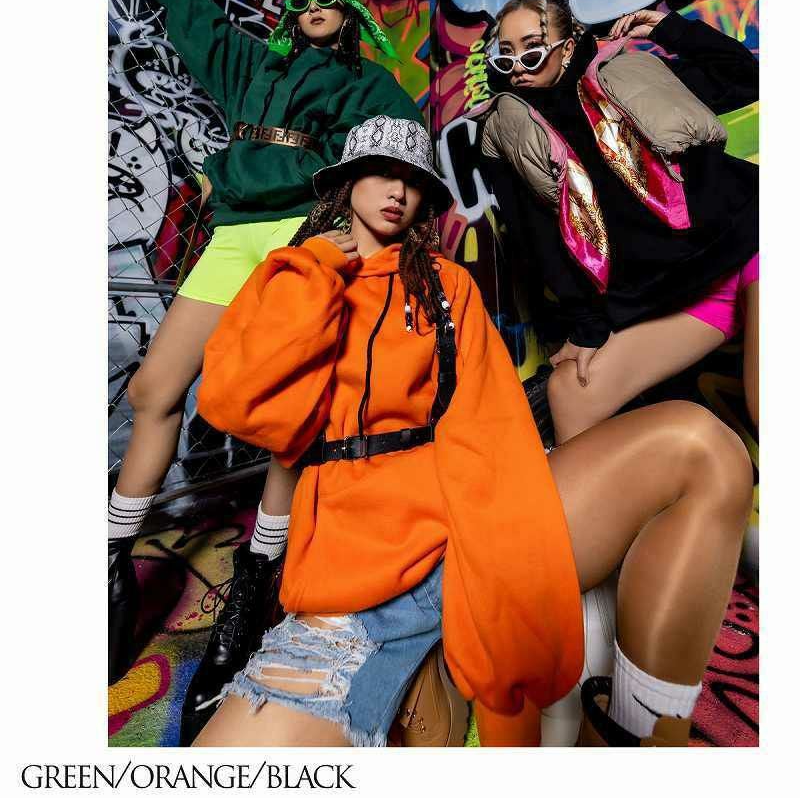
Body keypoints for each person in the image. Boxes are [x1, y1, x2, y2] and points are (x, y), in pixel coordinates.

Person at [187, 116, 753, 747]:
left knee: (700, 444)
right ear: (346, 184)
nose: (397, 192)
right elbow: (242, 404)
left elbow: (489, 413)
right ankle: (425, 670)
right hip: (356, 574)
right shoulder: (295, 274)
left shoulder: (445, 284)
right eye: (381, 174)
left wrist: (491, 532)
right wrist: (317, 269)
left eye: (413, 181)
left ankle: (638, 738)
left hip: (469, 529)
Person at [106, 0, 423, 736]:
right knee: (153, 388)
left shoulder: (368, 83)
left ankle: (255, 580)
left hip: (303, 231)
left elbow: (398, 154)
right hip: (234, 234)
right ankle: (110, 565)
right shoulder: (256, 64)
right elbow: (207, 33)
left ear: (348, 10)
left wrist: (356, 229)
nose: (312, 4)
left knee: (293, 410)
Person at [468, 0, 758, 445]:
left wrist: (669, 30)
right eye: (506, 55)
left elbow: (747, 77)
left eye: (532, 49)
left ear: (567, 47)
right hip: (676, 291)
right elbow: (536, 241)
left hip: (751, 239)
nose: (518, 66)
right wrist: (586, 327)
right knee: (572, 395)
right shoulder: (505, 130)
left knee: (766, 401)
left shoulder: (628, 72)